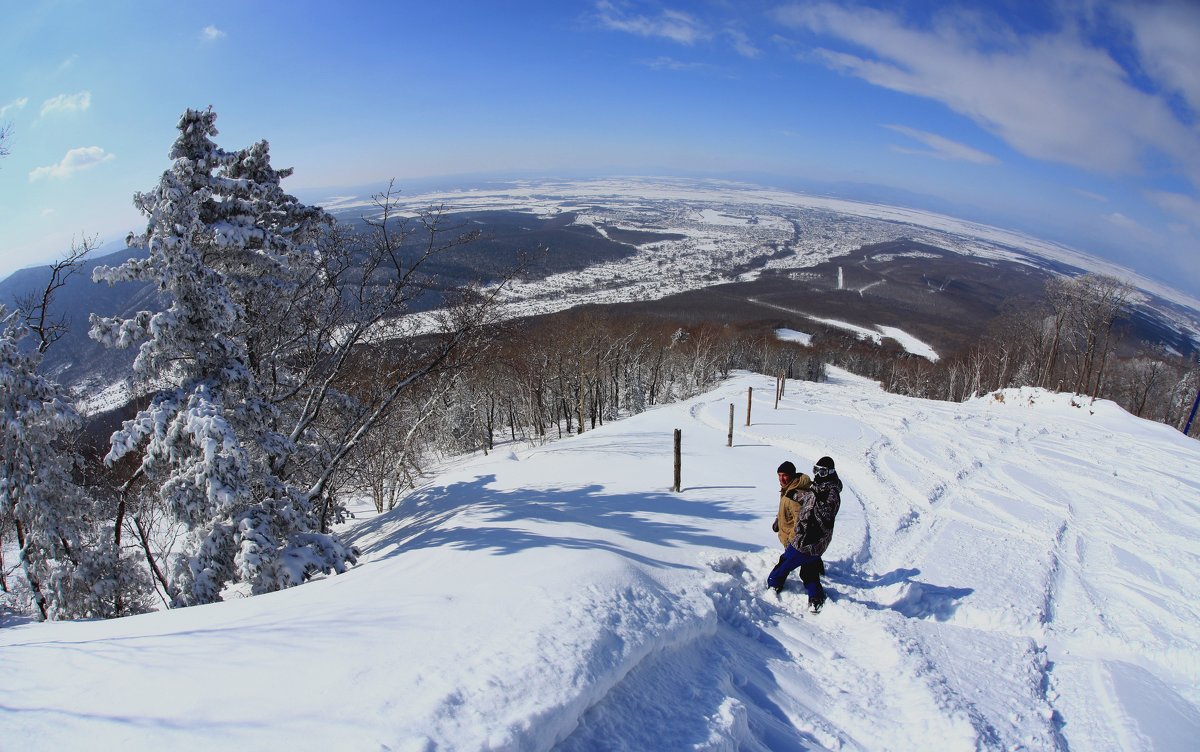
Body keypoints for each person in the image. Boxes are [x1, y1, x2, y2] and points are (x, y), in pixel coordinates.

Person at [768, 456, 843, 613]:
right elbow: (807, 499)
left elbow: (823, 514)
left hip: (808, 539)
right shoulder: (818, 487)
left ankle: (773, 585)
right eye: (816, 470)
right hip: (808, 539)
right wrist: (793, 496)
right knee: (809, 569)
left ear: (829, 472)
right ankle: (816, 597)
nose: (818, 474)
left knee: (784, 564)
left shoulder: (831, 493)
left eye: (822, 472)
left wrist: (795, 537)